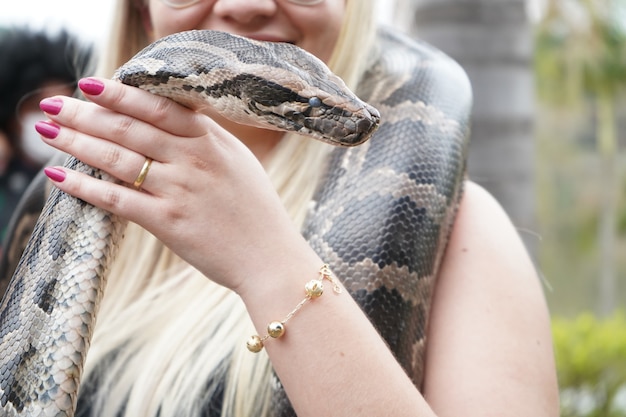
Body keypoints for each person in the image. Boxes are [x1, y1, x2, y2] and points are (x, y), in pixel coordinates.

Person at [28, 0, 559, 416]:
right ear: (142, 8)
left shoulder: (462, 229)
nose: (245, 4)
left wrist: (266, 259)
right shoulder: (60, 203)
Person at [0, 28, 91, 246]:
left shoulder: (90, 183)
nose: (52, 119)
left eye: (62, 107)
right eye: (38, 106)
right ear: (11, 115)